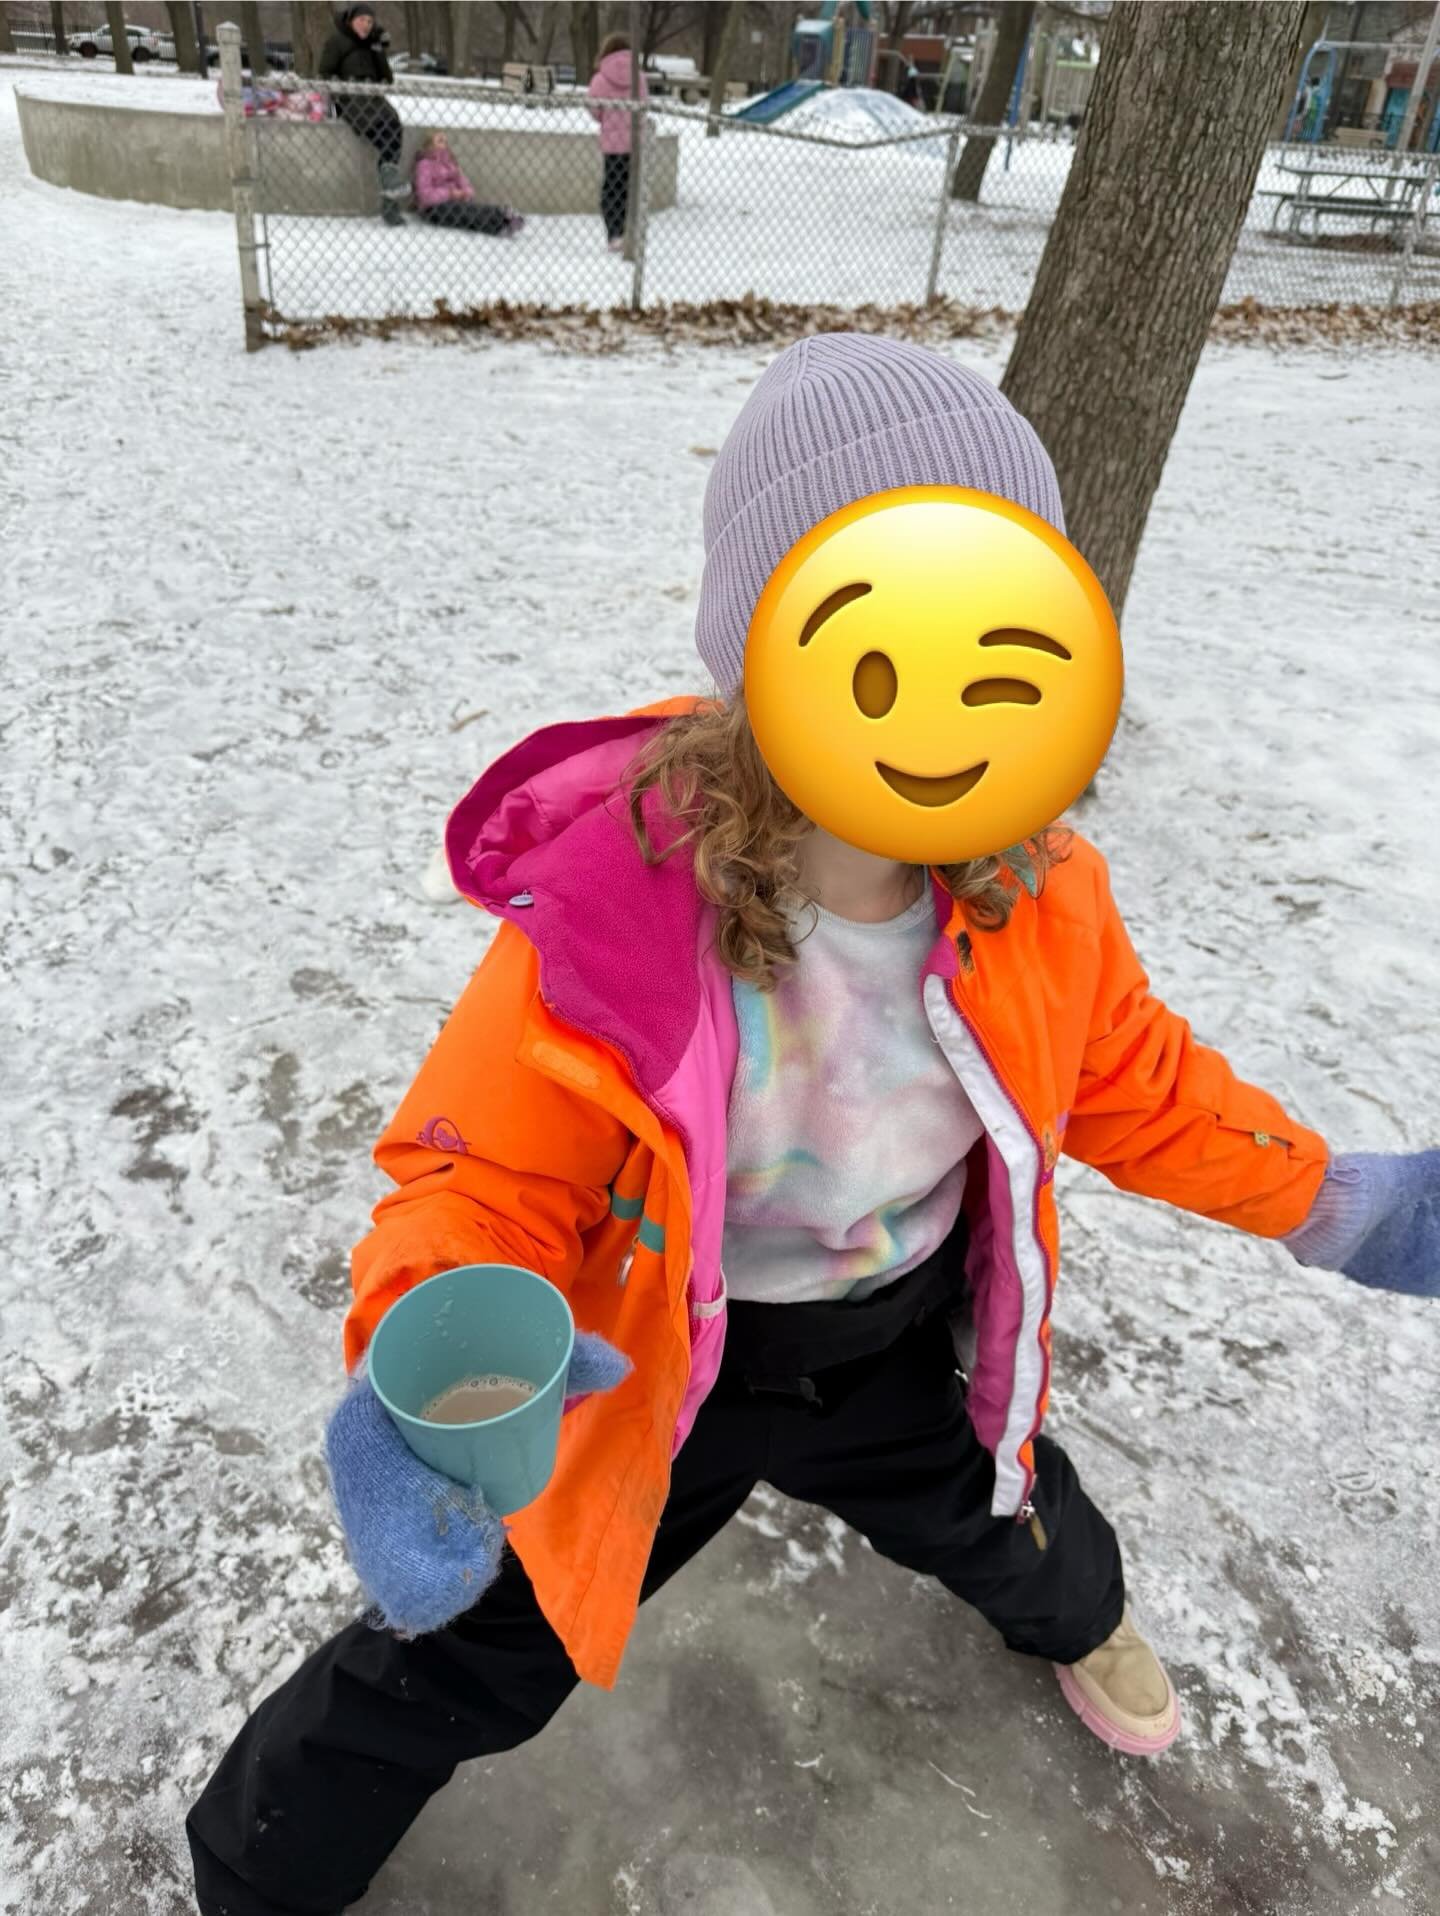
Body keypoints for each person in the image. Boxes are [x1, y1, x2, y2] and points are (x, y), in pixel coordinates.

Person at [187, 334, 1440, 1916]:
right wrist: (432, 1348)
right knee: (471, 1650)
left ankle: (1079, 1618)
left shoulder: (1043, 890)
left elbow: (1133, 1080)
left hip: (902, 1344)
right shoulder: (616, 908)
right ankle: (252, 1861)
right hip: (655, 1364)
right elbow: (485, 1165)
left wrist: (1335, 1202)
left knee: (1024, 1532)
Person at [318, 5, 406, 227]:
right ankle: (391, 198)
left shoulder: (372, 45)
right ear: (351, 21)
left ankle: (389, 188)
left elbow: (387, 78)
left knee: (394, 128)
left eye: (370, 21)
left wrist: (378, 49)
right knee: (385, 134)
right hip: (351, 99)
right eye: (362, 20)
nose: (366, 25)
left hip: (374, 97)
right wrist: (341, 90)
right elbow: (325, 72)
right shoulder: (337, 41)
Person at [586, 30, 648, 252]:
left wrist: (607, 119)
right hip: (634, 142)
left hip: (612, 143)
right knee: (628, 189)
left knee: (610, 188)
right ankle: (628, 230)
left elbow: (594, 109)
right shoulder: (639, 77)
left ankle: (614, 233)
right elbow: (643, 107)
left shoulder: (600, 79)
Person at [412, 132, 524, 237]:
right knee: (459, 212)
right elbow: (425, 195)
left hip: (456, 201)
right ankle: (499, 222)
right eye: (440, 141)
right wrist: (450, 194)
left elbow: (464, 182)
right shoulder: (424, 165)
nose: (444, 144)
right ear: (429, 145)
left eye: (445, 141)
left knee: (470, 210)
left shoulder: (450, 163)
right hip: (434, 207)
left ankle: (503, 218)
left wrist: (465, 193)